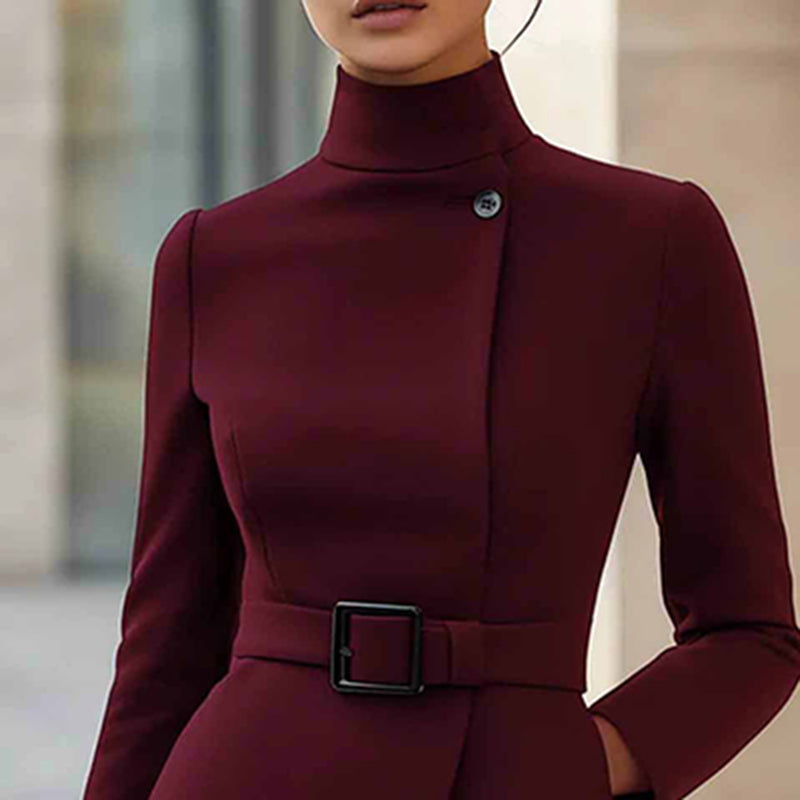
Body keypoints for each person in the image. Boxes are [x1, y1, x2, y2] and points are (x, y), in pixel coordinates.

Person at [83, 1, 800, 798]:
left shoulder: (648, 238)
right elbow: (164, 654)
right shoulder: (213, 256)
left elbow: (750, 632)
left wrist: (576, 763)